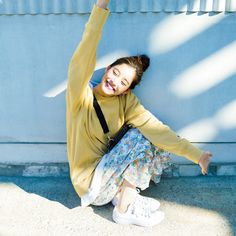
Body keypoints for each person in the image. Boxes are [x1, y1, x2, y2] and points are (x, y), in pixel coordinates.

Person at [66, 0, 213, 227]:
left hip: (108, 176)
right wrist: (100, 8)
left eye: (123, 82)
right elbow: (83, 55)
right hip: (89, 183)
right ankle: (124, 210)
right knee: (139, 138)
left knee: (151, 135)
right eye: (114, 73)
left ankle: (124, 197)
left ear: (127, 89)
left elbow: (159, 131)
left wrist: (197, 155)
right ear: (107, 69)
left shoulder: (127, 102)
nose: (114, 82)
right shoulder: (80, 96)